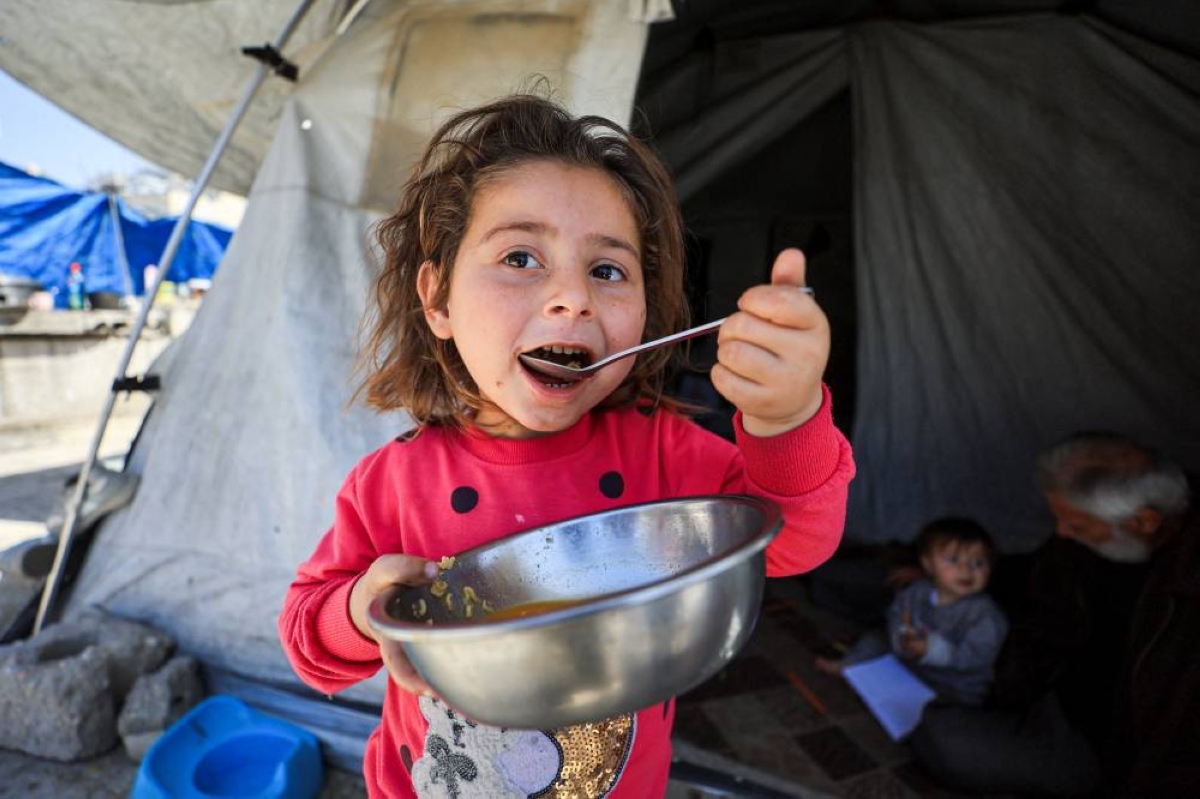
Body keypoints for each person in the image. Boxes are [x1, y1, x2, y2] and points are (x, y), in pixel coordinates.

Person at [277, 93, 856, 798]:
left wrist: (785, 418)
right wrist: (360, 608)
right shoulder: (390, 483)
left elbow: (793, 542)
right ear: (439, 300)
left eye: (607, 271)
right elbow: (311, 648)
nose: (572, 298)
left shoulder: (663, 454)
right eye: (521, 257)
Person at [910, 432, 1199, 797]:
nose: (1061, 532)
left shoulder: (1185, 593)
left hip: (1102, 744)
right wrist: (947, 575)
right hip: (1045, 691)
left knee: (939, 736)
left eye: (1076, 524)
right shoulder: (1093, 538)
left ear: (1144, 522)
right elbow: (1034, 573)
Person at [817, 518, 1007, 707]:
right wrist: (902, 636)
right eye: (952, 560)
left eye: (977, 563)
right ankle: (851, 667)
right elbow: (897, 613)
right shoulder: (917, 592)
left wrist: (931, 650)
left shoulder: (985, 616)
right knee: (876, 639)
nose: (965, 570)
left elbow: (976, 657)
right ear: (928, 564)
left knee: (947, 710)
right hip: (912, 665)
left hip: (953, 684)